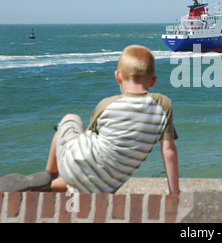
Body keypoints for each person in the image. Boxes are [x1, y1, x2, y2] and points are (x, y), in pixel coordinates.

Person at [0, 45, 180, 195]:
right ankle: (46, 185)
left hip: (76, 165)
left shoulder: (107, 104)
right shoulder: (163, 105)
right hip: (105, 187)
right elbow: (168, 151)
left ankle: (49, 175)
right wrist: (174, 193)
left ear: (118, 76)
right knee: (89, 176)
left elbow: (86, 139)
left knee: (70, 119)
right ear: (154, 80)